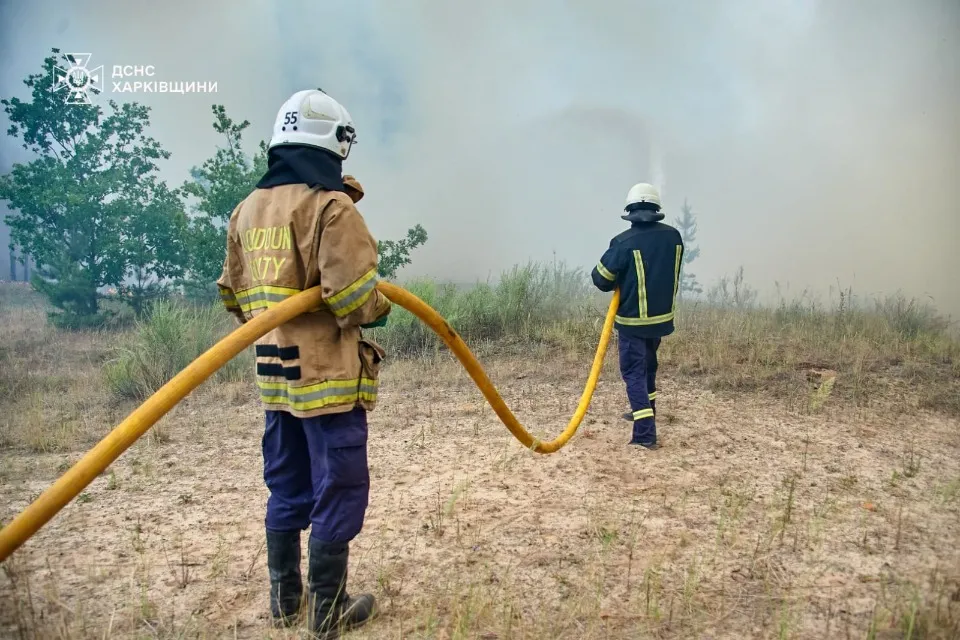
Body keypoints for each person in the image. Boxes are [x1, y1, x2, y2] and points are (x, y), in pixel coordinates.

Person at [216, 88, 392, 637]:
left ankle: (284, 601)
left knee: (286, 485)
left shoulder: (246, 209)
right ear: (332, 143)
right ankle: (328, 610)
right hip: (329, 383)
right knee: (337, 486)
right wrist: (381, 302)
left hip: (276, 381)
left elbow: (232, 295)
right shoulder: (329, 207)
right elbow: (356, 298)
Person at [591, 182, 684, 450]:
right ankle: (646, 411)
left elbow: (601, 278)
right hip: (661, 319)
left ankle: (644, 434)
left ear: (630, 211)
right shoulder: (674, 237)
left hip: (632, 322)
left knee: (633, 372)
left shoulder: (623, 242)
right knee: (648, 368)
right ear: (656, 209)